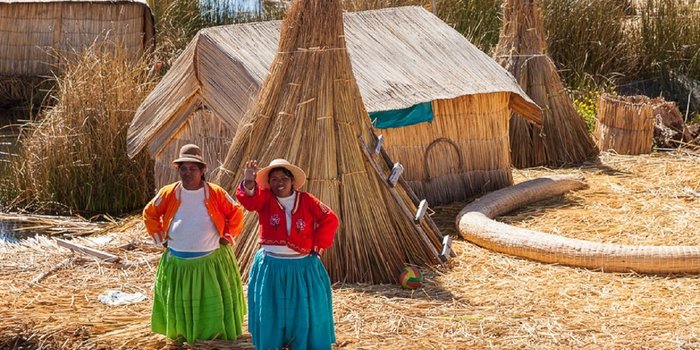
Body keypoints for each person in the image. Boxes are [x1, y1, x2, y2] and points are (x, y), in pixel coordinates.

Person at [143, 144, 246, 344]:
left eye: (192, 169)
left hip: (210, 261)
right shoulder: (169, 193)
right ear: (178, 170)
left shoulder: (215, 192)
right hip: (178, 263)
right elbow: (150, 213)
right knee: (181, 304)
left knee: (211, 304)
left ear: (202, 170)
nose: (187, 173)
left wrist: (228, 235)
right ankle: (182, 335)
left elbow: (236, 211)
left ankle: (213, 339)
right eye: (183, 168)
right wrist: (160, 239)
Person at [237, 158, 339, 350]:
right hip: (271, 267)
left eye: (284, 177)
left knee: (303, 311)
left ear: (292, 181)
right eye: (274, 179)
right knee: (271, 311)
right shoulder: (265, 198)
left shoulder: (307, 200)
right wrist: (249, 182)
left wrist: (317, 247)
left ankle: (303, 344)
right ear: (269, 183)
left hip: (302, 267)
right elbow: (249, 202)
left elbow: (329, 219)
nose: (279, 182)